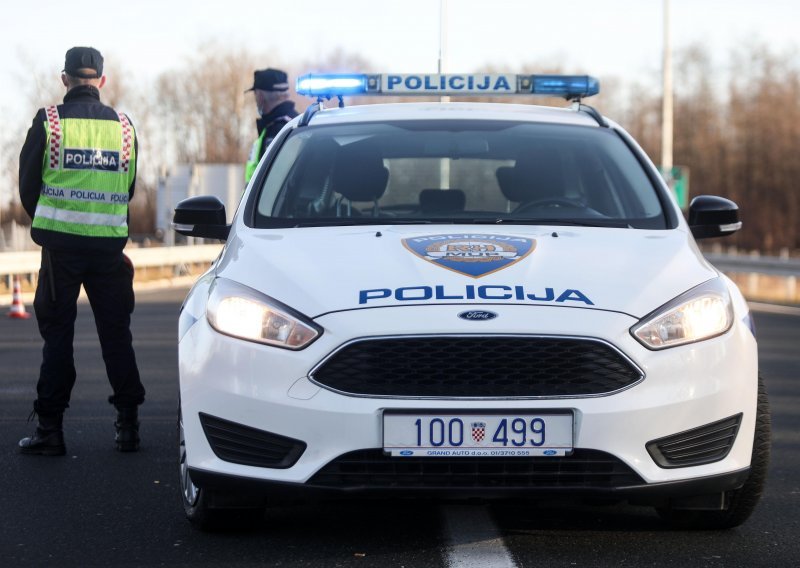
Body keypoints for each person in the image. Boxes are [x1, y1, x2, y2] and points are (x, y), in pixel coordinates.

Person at [17, 46, 145, 455]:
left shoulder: (49, 122)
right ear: (101, 82)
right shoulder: (125, 128)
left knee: (58, 336)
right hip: (108, 250)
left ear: (65, 78)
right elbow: (127, 188)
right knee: (116, 335)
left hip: (61, 251)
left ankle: (50, 430)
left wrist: (52, 222)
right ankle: (128, 426)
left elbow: (26, 186)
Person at [244, 68, 298, 185]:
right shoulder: (295, 125)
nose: (255, 100)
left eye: (255, 94)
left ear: (261, 96)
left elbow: (275, 182)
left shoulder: (281, 130)